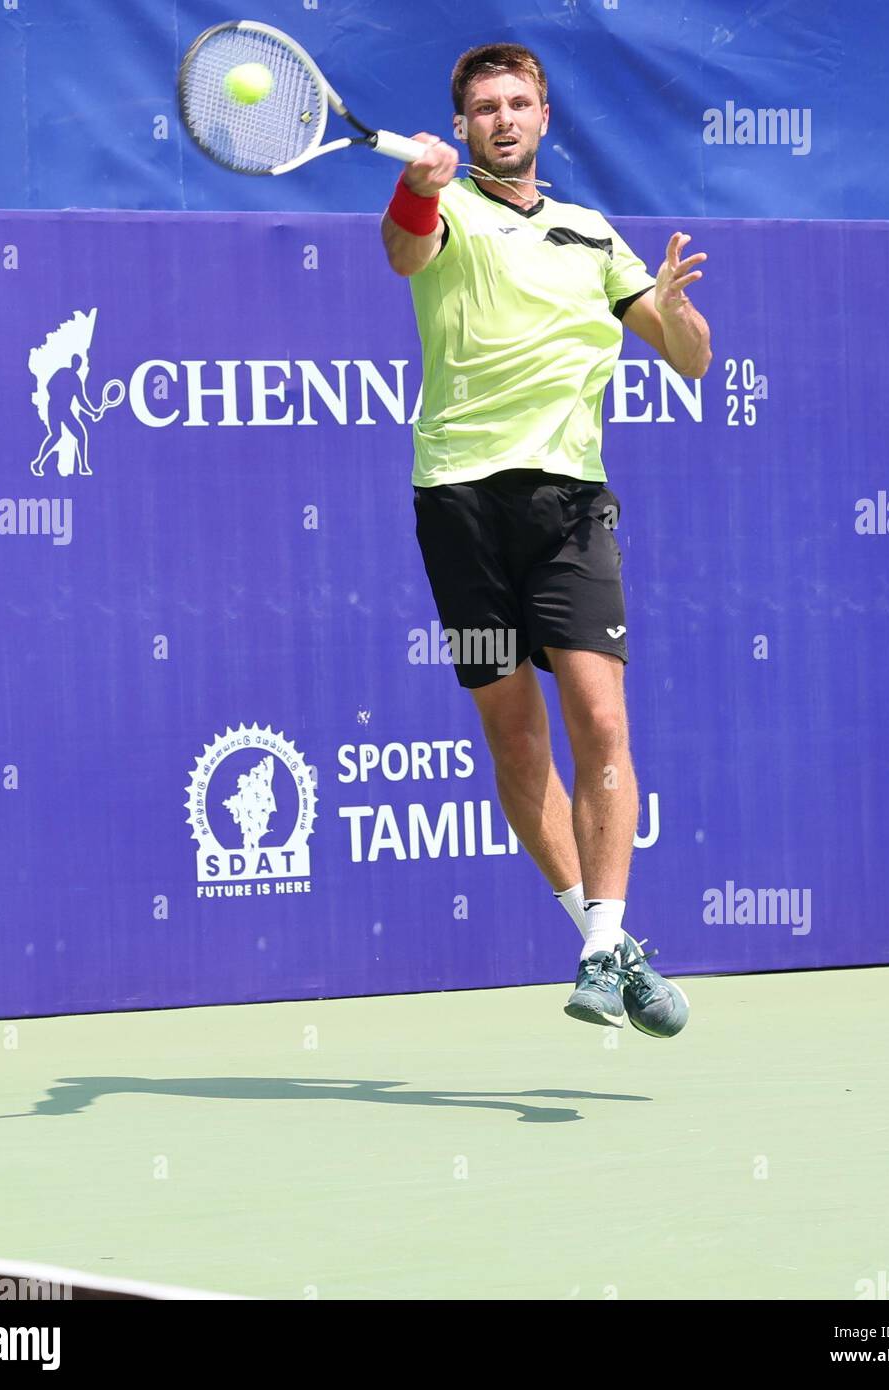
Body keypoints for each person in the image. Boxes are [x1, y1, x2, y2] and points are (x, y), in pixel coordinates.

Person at [381, 43, 712, 1036]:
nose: (503, 118)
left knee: (601, 720)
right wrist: (412, 187)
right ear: (464, 124)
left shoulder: (590, 234)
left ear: (544, 116)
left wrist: (680, 311)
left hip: (567, 508)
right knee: (512, 732)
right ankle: (600, 941)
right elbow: (403, 252)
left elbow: (689, 362)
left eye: (518, 101)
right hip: (458, 510)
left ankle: (605, 943)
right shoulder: (442, 211)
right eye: (483, 106)